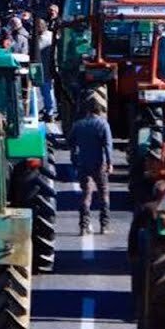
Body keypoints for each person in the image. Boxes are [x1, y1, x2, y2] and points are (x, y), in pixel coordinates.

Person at [67, 99, 113, 235]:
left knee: (86, 194)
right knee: (103, 193)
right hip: (99, 164)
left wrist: (75, 159)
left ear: (87, 111)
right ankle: (104, 226)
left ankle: (83, 226)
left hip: (83, 164)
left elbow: (70, 143)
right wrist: (110, 163)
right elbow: (108, 146)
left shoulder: (78, 125)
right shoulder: (103, 125)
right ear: (99, 111)